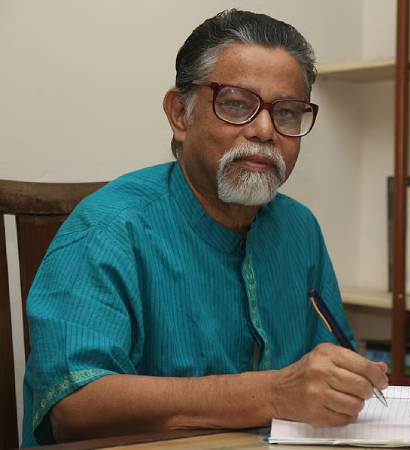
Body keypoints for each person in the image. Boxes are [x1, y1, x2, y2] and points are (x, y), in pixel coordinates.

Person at [22, 9, 388, 447]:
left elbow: (331, 374)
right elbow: (71, 407)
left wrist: (346, 383)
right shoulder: (109, 227)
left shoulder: (299, 228)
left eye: (288, 112)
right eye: (236, 104)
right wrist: (272, 394)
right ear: (180, 114)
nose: (265, 130)